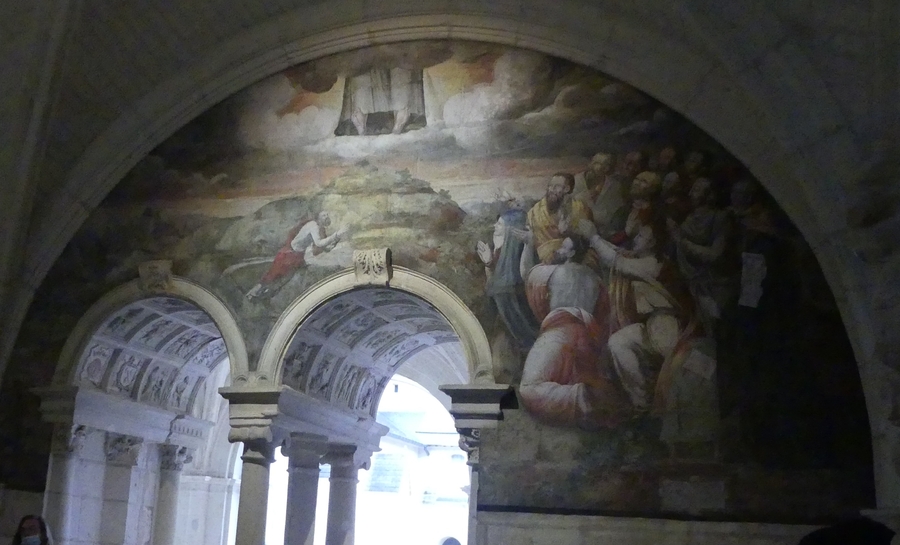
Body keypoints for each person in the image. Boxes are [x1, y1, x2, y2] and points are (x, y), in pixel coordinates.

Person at [518, 235, 630, 429]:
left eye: (563, 247)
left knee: (529, 388)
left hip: (559, 333)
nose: (558, 250)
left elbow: (525, 273)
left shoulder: (552, 272)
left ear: (571, 253)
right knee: (578, 378)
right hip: (588, 336)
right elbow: (605, 313)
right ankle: (589, 397)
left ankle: (583, 398)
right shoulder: (597, 280)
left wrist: (528, 245)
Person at [477, 208, 540, 384]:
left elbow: (522, 279)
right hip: (504, 322)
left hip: (521, 322)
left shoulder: (523, 255)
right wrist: (489, 263)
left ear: (511, 229)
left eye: (500, 224)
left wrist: (528, 245)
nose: (495, 226)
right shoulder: (500, 253)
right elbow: (492, 289)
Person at [246, 211, 347, 299]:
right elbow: (319, 243)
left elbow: (322, 249)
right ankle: (252, 293)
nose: (327, 217)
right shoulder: (313, 225)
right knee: (272, 276)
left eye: (327, 215)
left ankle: (265, 295)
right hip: (288, 254)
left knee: (284, 280)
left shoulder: (320, 230)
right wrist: (336, 235)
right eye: (324, 215)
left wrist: (336, 240)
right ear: (318, 217)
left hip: (298, 256)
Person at [523, 173, 594, 265]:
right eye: (550, 186)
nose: (551, 190)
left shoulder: (581, 209)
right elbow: (533, 240)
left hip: (577, 257)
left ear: (567, 189)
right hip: (546, 261)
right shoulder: (535, 212)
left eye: (556, 186)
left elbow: (590, 238)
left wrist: (570, 233)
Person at [573, 152, 629, 239]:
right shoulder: (577, 180)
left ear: (607, 168)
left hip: (605, 233)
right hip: (578, 230)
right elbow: (571, 206)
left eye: (600, 164)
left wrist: (594, 217)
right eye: (594, 162)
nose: (593, 166)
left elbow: (616, 213)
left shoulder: (614, 185)